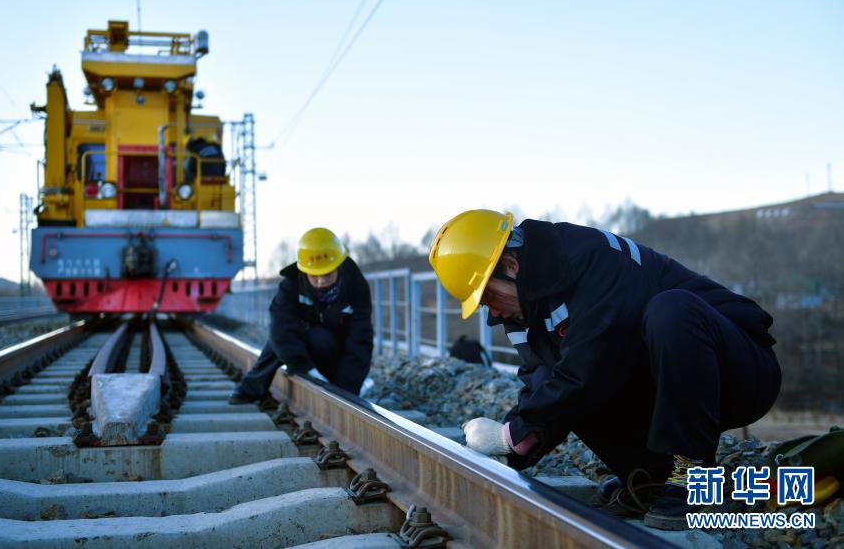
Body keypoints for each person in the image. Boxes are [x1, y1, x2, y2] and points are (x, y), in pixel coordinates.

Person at [428, 209, 781, 530]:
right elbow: (543, 383)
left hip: (740, 371)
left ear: (511, 265)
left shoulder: (592, 258)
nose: (492, 314)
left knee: (670, 311)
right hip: (663, 382)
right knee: (563, 387)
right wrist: (511, 450)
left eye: (489, 297)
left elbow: (588, 364)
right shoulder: (524, 307)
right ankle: (653, 477)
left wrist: (510, 435)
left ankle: (690, 473)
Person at [229, 227, 374, 402]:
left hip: (334, 345)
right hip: (303, 338)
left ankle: (335, 384)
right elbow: (280, 329)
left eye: (327, 274)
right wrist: (305, 368)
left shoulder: (357, 287)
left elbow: (360, 338)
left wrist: (348, 388)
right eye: (314, 276)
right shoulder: (290, 286)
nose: (321, 281)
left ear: (339, 267)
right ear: (304, 271)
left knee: (322, 340)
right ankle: (251, 389)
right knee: (277, 341)